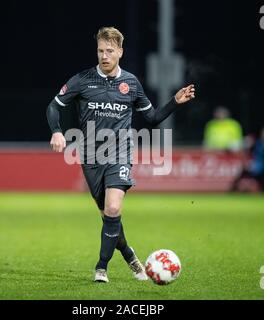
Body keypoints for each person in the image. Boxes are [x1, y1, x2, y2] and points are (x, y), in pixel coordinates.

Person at [46, 27, 195, 283]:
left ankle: (101, 267)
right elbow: (53, 106)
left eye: (109, 51)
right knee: (109, 216)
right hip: (91, 157)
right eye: (100, 51)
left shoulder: (131, 83)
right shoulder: (82, 80)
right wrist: (57, 132)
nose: (104, 55)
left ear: (120, 52)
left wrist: (174, 101)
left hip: (120, 153)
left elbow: (151, 117)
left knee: (113, 207)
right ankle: (130, 256)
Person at [231, 126, 264, 192]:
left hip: (263, 166)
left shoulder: (262, 144)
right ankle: (235, 188)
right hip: (258, 165)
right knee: (245, 170)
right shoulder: (259, 143)